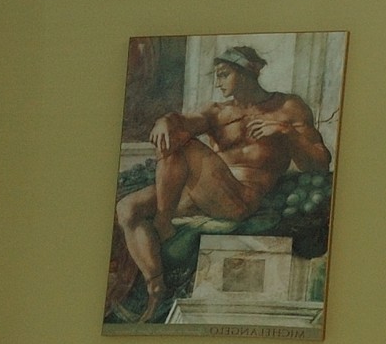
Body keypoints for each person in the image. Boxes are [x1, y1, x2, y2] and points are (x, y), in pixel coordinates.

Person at [113, 45, 332, 322]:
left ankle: (163, 222)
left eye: (224, 74)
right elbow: (183, 122)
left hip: (241, 197)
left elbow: (319, 162)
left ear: (247, 73)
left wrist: (286, 132)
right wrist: (164, 121)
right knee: (127, 208)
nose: (218, 82)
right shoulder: (218, 112)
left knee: (183, 144)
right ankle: (156, 287)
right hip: (206, 193)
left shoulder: (288, 108)